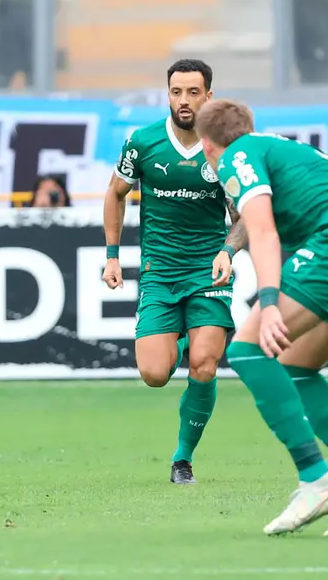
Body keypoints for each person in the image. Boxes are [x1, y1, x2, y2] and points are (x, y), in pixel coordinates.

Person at [102, 59, 247, 485]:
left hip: (208, 271)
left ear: (209, 96)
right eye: (176, 92)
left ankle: (182, 459)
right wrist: (112, 255)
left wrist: (228, 250)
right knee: (154, 375)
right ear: (167, 94)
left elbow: (241, 215)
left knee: (204, 364)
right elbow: (115, 194)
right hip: (160, 272)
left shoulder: (224, 148)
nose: (183, 101)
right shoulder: (142, 142)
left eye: (192, 92)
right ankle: (181, 334)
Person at [197, 98, 328, 535]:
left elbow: (264, 232)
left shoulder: (236, 157)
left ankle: (315, 478)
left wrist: (270, 302)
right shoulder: (274, 149)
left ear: (207, 145)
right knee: (295, 364)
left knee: (251, 349)